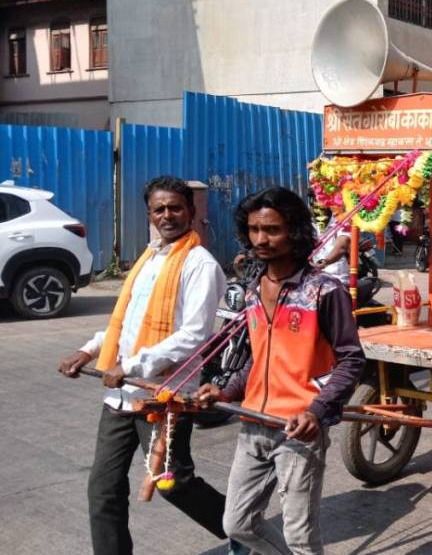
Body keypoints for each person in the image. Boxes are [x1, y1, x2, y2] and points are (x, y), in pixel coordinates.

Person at [57, 176, 234, 555]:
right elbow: (125, 323)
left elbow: (195, 334)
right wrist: (88, 351)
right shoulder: (149, 258)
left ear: (190, 211)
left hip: (166, 395)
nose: (167, 215)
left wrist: (134, 364)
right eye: (159, 209)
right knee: (103, 488)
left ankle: (245, 530)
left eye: (175, 207)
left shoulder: (199, 264)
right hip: (123, 397)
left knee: (173, 484)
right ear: (149, 214)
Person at [196, 187, 367, 555]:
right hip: (254, 421)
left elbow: (352, 359)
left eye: (272, 229)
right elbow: (260, 359)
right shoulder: (254, 288)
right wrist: (224, 391)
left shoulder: (324, 290)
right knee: (237, 524)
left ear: (294, 232)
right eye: (255, 230)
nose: (262, 239)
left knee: (300, 536)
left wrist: (317, 412)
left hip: (298, 430)